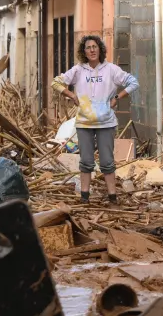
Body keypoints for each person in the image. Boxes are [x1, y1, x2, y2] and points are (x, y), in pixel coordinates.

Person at [52, 35, 139, 204]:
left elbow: (133, 82)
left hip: (106, 122)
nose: (91, 50)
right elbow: (56, 82)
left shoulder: (111, 70)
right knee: (86, 161)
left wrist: (117, 97)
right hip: (84, 122)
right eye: (88, 47)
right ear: (83, 51)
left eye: (94, 47)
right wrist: (71, 94)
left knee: (107, 161)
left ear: (100, 49)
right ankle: (85, 197)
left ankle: (112, 197)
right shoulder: (78, 70)